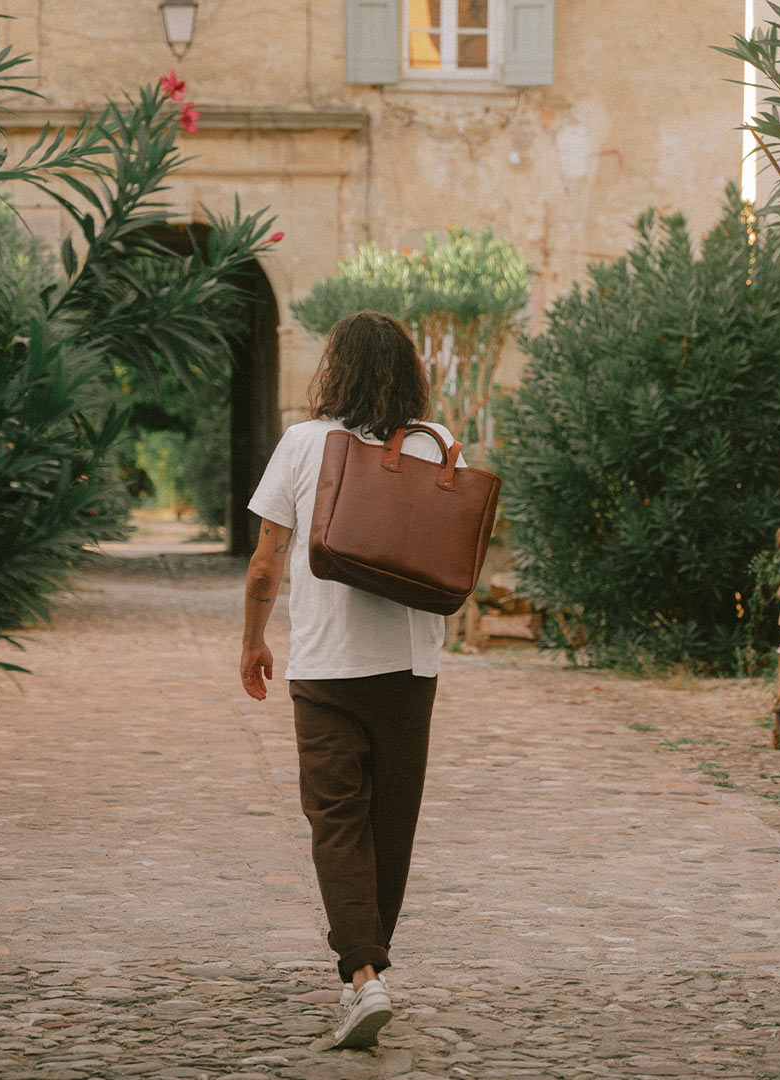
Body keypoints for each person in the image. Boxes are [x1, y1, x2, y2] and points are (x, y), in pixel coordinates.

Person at [239, 311, 459, 1050]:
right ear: (410, 372)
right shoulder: (436, 446)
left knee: (336, 822)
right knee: (389, 826)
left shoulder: (305, 444)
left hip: (327, 668)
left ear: (336, 368)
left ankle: (363, 977)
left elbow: (266, 561)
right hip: (409, 667)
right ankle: (367, 973)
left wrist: (253, 641)